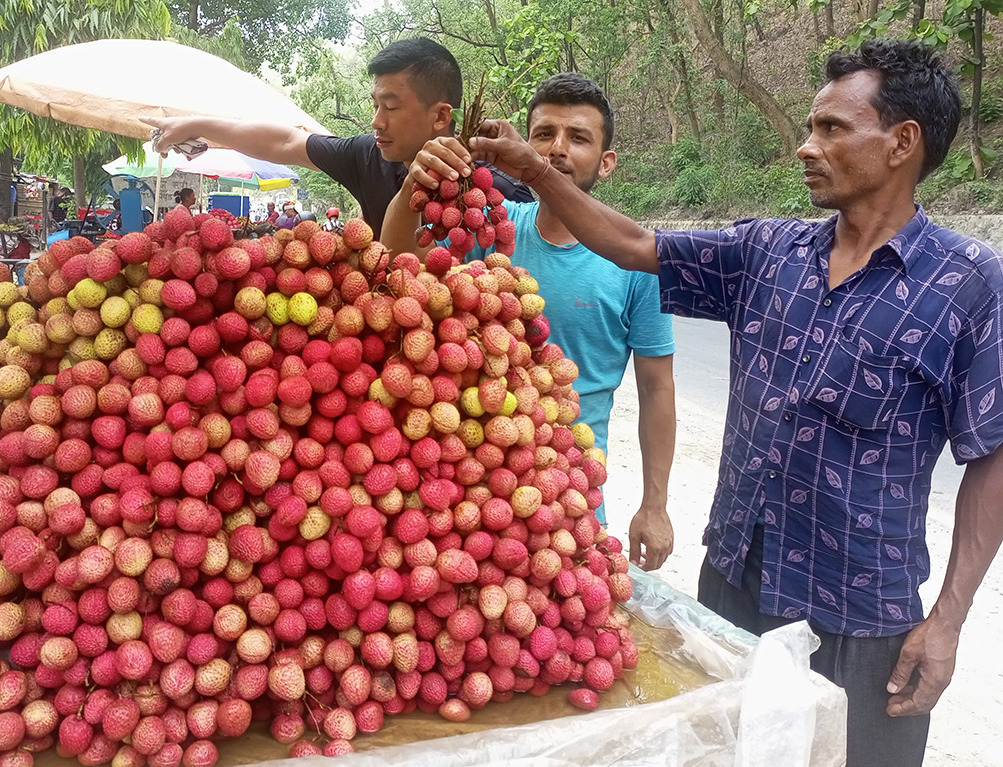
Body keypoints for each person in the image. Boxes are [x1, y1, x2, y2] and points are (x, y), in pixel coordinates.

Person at [413, 39, 1003, 767]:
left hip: (862, 619)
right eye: (809, 127)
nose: (804, 147)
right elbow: (633, 242)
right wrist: (532, 170)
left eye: (830, 129)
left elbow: (992, 458)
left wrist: (947, 619)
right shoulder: (770, 251)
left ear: (902, 143)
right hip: (735, 588)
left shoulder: (969, 283)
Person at [383, 73, 677, 570]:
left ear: (607, 163)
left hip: (565, 484)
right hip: (467, 473)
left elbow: (656, 390)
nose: (557, 149)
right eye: (543, 135)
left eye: (578, 137)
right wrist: (416, 179)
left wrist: (656, 503)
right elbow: (396, 261)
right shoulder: (489, 229)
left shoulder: (638, 260)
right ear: (520, 147)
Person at [143, 37, 532, 234]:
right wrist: (198, 124)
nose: (377, 121)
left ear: (441, 116)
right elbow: (285, 142)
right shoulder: (370, 156)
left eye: (391, 107)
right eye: (374, 105)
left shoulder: (498, 191)